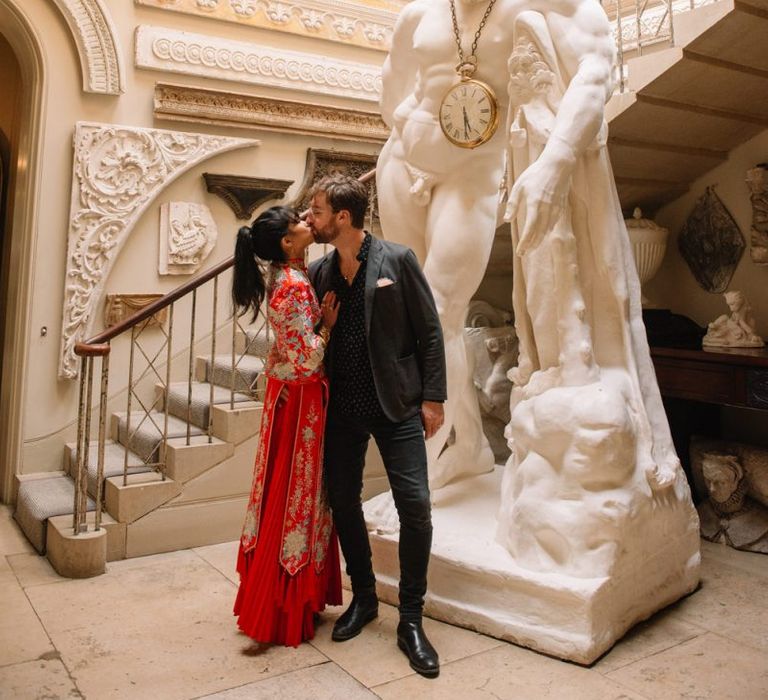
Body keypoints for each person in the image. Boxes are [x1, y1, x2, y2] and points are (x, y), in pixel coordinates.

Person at [376, 0, 680, 496]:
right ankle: (468, 447)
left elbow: (595, 68)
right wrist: (414, 131)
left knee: (438, 310)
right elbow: (391, 89)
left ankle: (424, 464)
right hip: (401, 161)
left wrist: (555, 159)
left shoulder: (536, 2)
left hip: (471, 172)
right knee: (409, 314)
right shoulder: (417, 14)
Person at [306, 175, 446, 678]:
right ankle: (363, 598)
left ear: (342, 217)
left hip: (399, 405)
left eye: (317, 210)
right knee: (342, 499)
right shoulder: (320, 269)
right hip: (341, 405)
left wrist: (433, 398)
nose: (311, 218)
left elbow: (429, 331)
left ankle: (411, 620)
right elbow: (312, 334)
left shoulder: (398, 261)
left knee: (416, 505)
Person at [231, 206, 342, 647]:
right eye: (298, 219)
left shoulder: (289, 278)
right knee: (296, 493)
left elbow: (288, 345)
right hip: (300, 404)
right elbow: (308, 356)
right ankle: (286, 602)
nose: (306, 220)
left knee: (294, 492)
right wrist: (328, 327)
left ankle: (294, 597)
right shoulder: (293, 287)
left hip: (291, 396)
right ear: (287, 242)